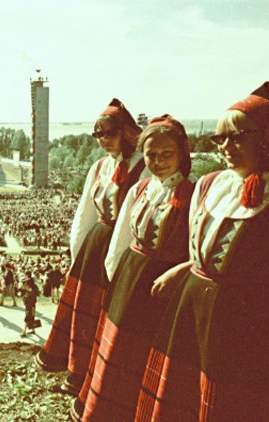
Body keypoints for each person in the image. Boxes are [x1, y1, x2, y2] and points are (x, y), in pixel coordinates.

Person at [137, 82, 269, 421]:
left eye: (237, 136)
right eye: (219, 138)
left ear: (267, 139)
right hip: (193, 312)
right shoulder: (212, 184)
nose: (225, 147)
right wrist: (186, 269)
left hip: (248, 326)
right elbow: (207, 251)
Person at [70, 115, 195, 421]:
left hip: (164, 287)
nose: (158, 161)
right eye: (151, 155)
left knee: (151, 354)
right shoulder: (140, 189)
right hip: (131, 279)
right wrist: (116, 281)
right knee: (120, 351)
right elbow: (120, 239)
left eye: (167, 154)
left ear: (182, 154)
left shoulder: (194, 194)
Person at [35, 99, 149, 396]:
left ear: (126, 132)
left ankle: (103, 380)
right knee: (85, 314)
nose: (103, 141)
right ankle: (77, 373)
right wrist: (77, 254)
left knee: (111, 317)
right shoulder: (99, 167)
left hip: (125, 250)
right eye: (97, 136)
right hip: (96, 246)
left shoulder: (146, 168)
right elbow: (84, 213)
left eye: (108, 134)